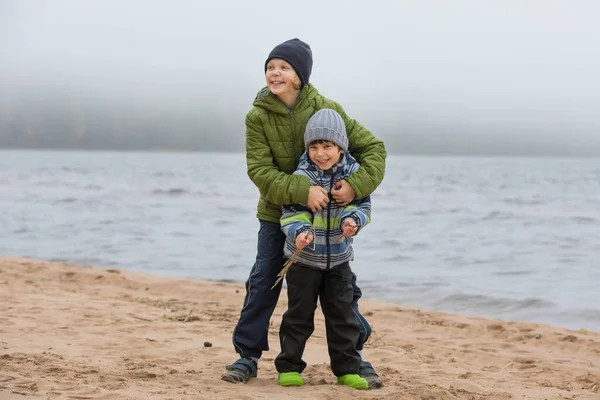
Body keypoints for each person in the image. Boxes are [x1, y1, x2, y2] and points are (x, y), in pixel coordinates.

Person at [221, 38, 386, 389]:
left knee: (340, 288)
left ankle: (354, 356)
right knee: (265, 279)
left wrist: (354, 187)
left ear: (300, 76)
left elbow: (374, 149)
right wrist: (302, 191)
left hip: (328, 218)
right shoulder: (257, 117)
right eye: (270, 67)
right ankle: (247, 356)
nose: (274, 73)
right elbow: (259, 170)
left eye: (283, 67)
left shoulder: (327, 109)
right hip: (275, 212)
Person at [275, 109, 372, 390]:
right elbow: (290, 212)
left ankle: (347, 369)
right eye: (314, 146)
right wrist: (301, 231)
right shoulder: (301, 176)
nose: (320, 153)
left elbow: (363, 206)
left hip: (339, 260)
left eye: (327, 146)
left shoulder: (354, 176)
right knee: (298, 316)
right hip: (304, 259)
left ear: (340, 148)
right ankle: (289, 366)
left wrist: (353, 220)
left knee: (342, 316)